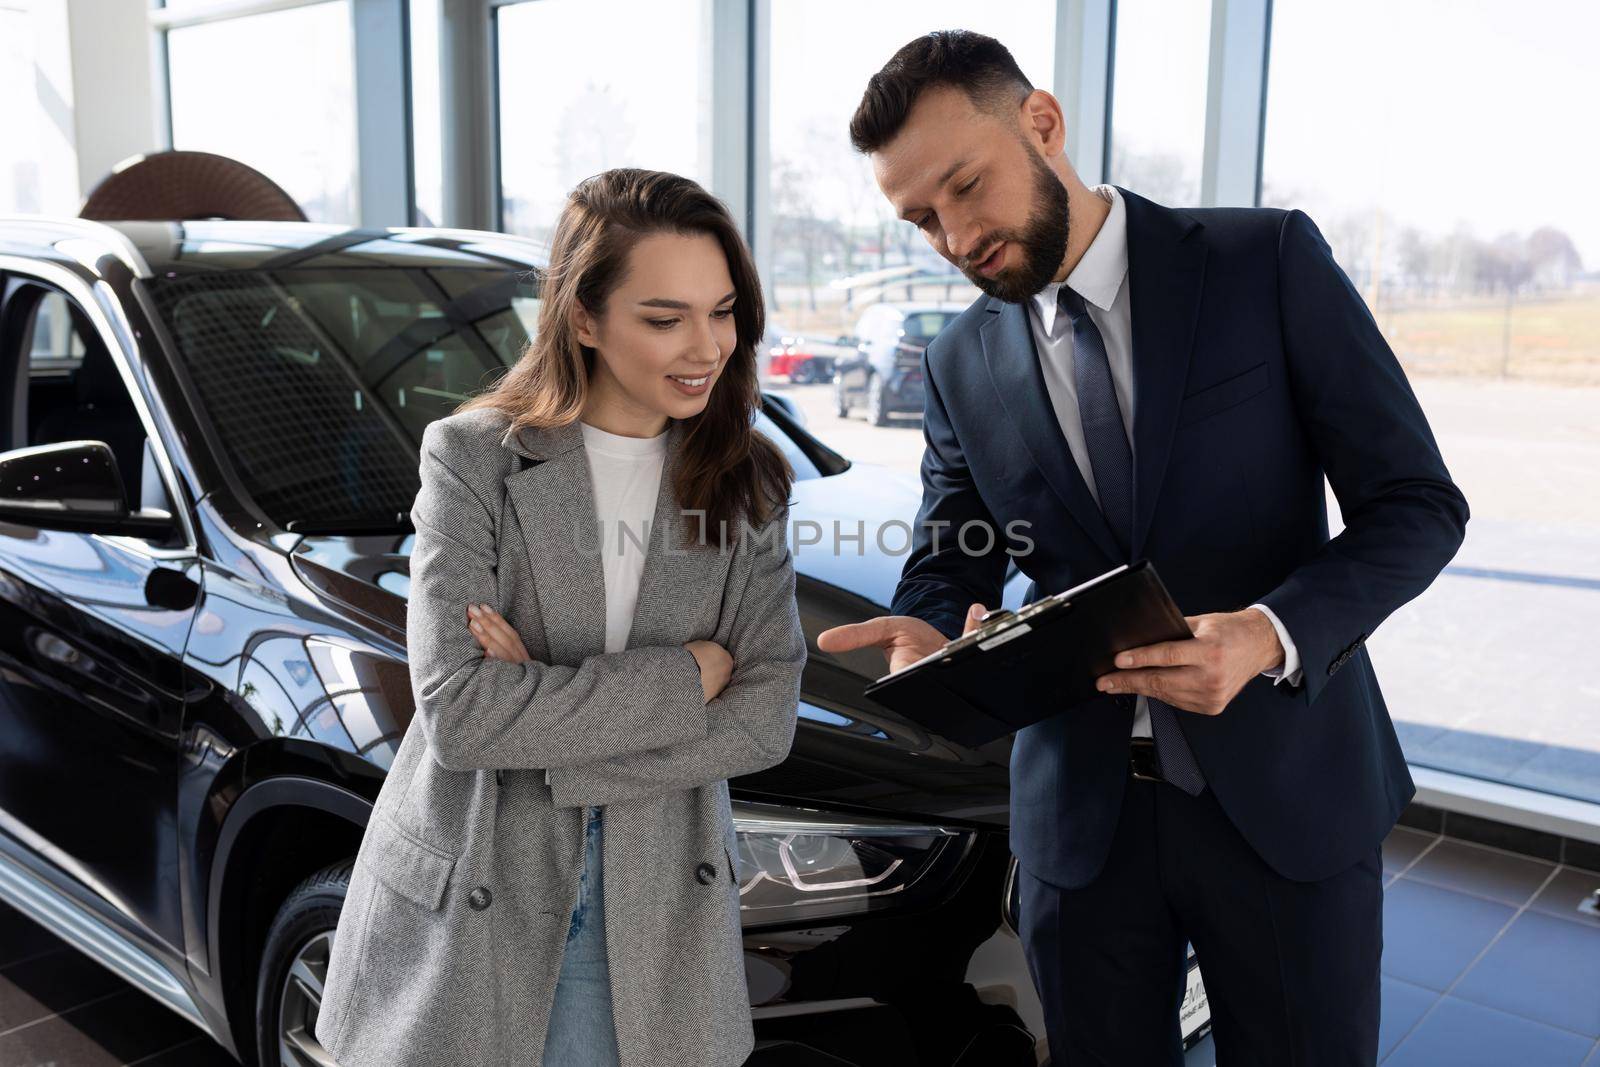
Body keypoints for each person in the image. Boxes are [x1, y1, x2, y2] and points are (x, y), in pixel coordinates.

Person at [817, 30, 1468, 1066]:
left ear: (1042, 123)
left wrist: (1268, 633)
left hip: (1284, 793)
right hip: (1080, 827)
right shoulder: (956, 360)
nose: (954, 234)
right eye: (920, 218)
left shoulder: (1265, 262)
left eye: (966, 187)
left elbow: (1418, 504)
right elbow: (954, 553)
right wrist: (931, 628)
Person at [313, 167, 806, 1067]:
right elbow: (461, 715)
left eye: (723, 310)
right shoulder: (472, 457)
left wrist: (537, 706)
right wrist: (687, 677)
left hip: (657, 901)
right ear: (584, 318)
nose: (707, 347)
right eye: (665, 318)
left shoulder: (750, 481)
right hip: (481, 882)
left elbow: (765, 716)